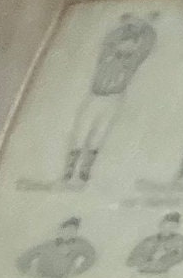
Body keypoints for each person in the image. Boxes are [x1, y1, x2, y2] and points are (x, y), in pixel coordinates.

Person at [64, 12, 157, 184]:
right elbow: (110, 38)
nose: (128, 46)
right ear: (119, 43)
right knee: (81, 132)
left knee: (99, 134)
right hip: (95, 97)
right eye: (125, 42)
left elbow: (148, 43)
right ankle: (69, 169)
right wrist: (128, 25)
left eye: (132, 44)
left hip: (113, 100)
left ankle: (85, 169)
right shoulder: (107, 54)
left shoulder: (133, 60)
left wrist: (144, 26)